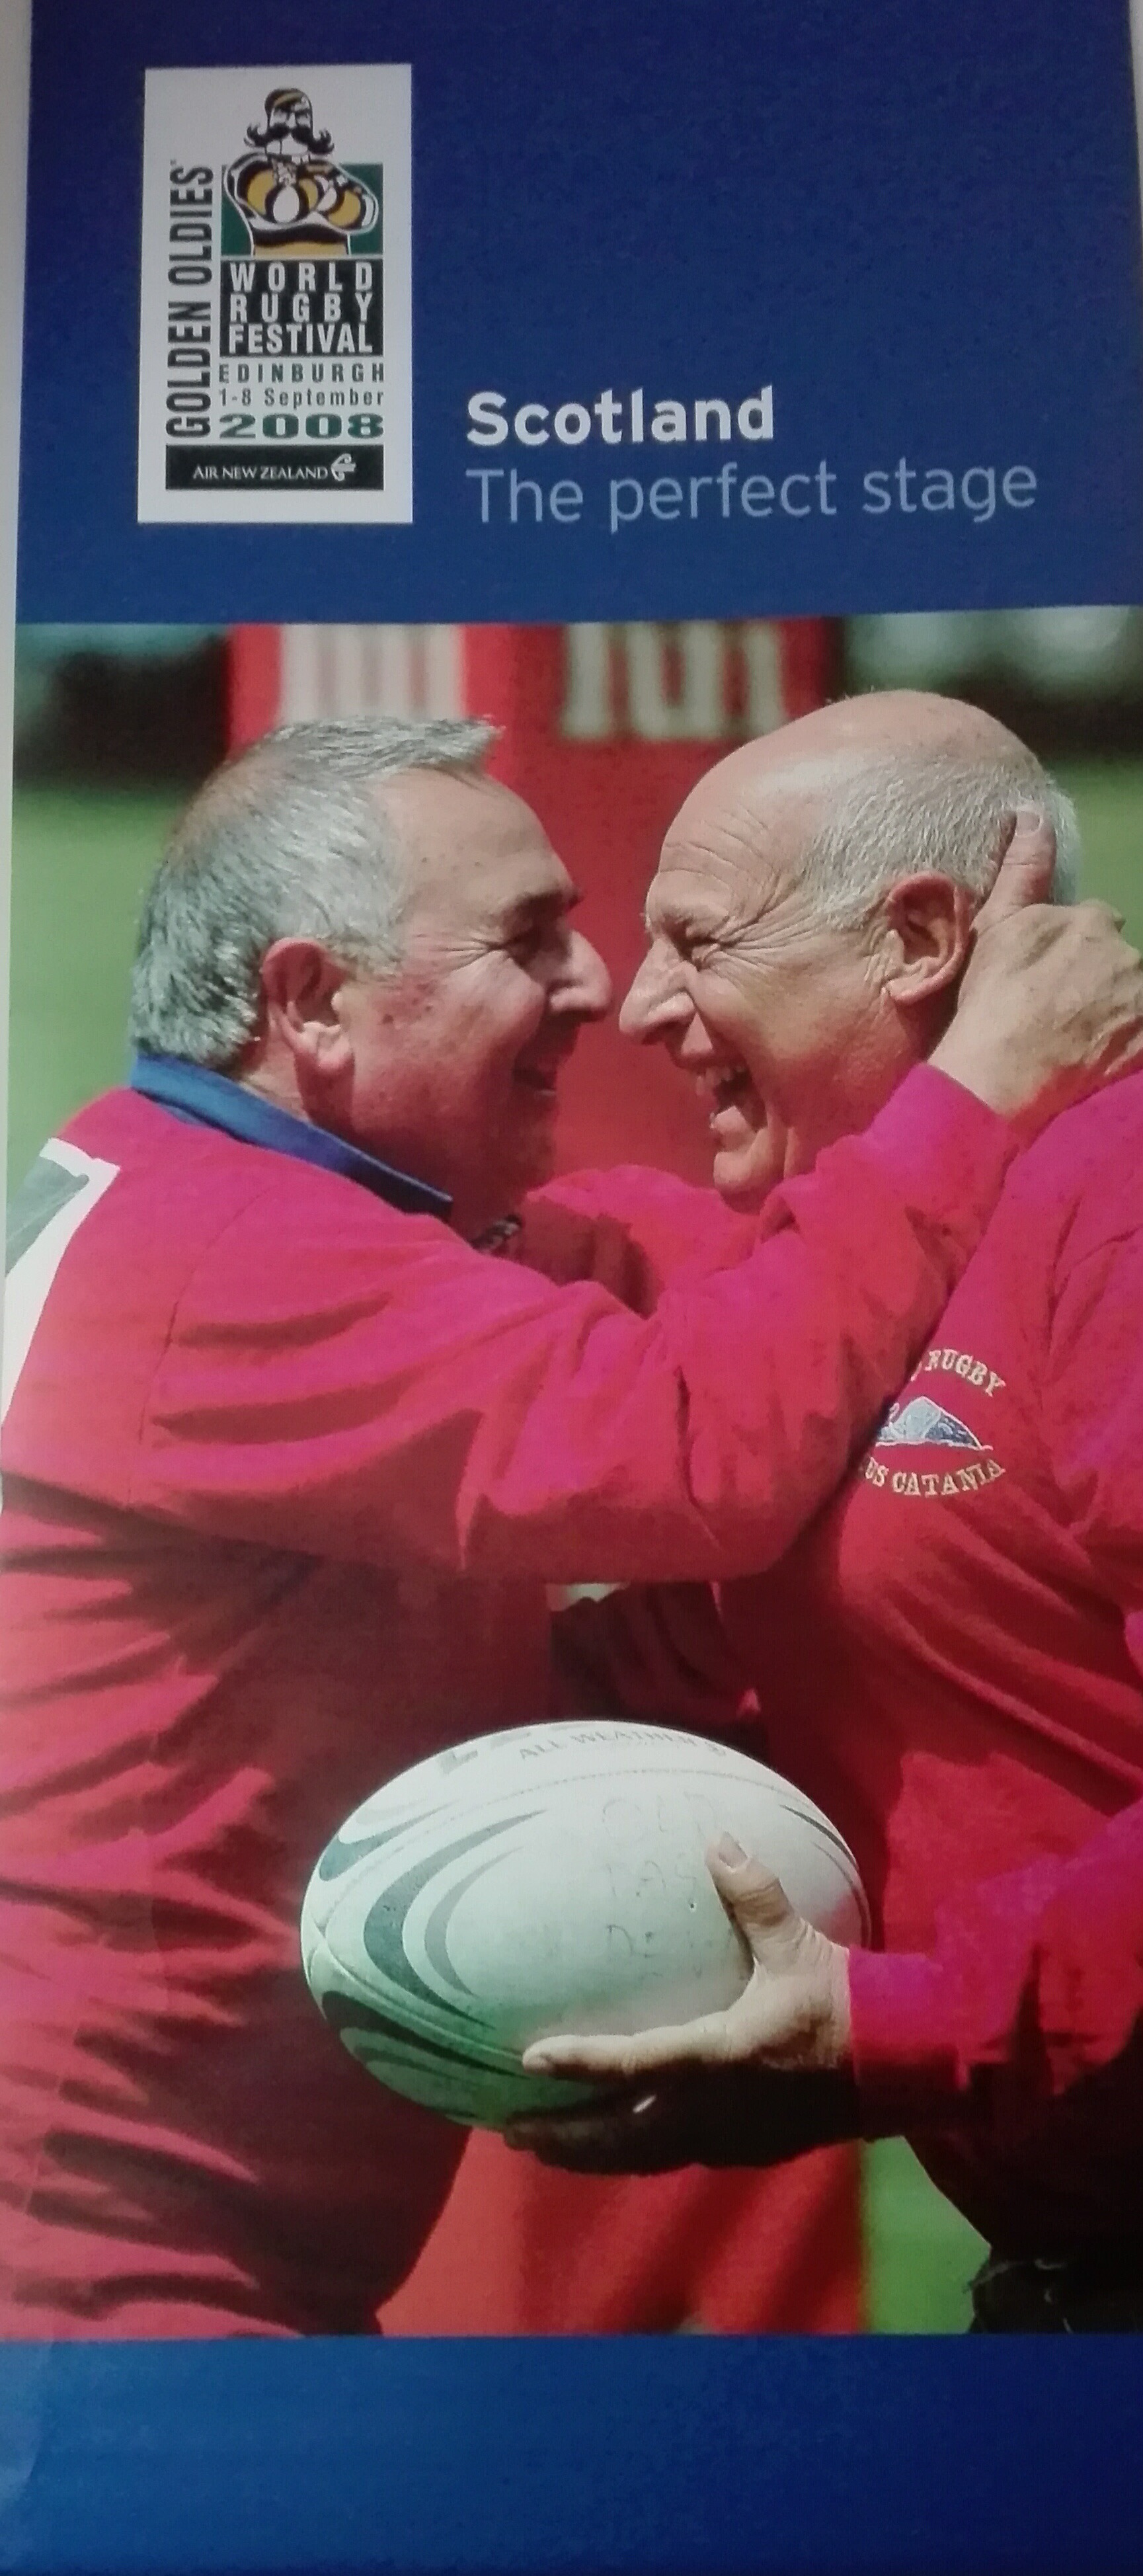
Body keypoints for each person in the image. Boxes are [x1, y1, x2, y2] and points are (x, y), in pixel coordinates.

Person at [0, 714, 1132, 2339]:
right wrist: (973, 1087)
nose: (606, 990)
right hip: (101, 2275)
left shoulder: (269, 1207)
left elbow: (770, 1323)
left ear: (918, 937)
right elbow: (702, 1441)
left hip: (173, 2251)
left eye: (687, 940)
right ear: (311, 1000)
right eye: (529, 940)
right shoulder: (222, 1253)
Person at [500, 690, 1143, 2333]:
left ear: (917, 938)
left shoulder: (1119, 1196)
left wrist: (890, 2028)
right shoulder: (836, 1256)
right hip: (1065, 2287)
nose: (641, 1001)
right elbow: (713, 1645)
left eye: (700, 940)